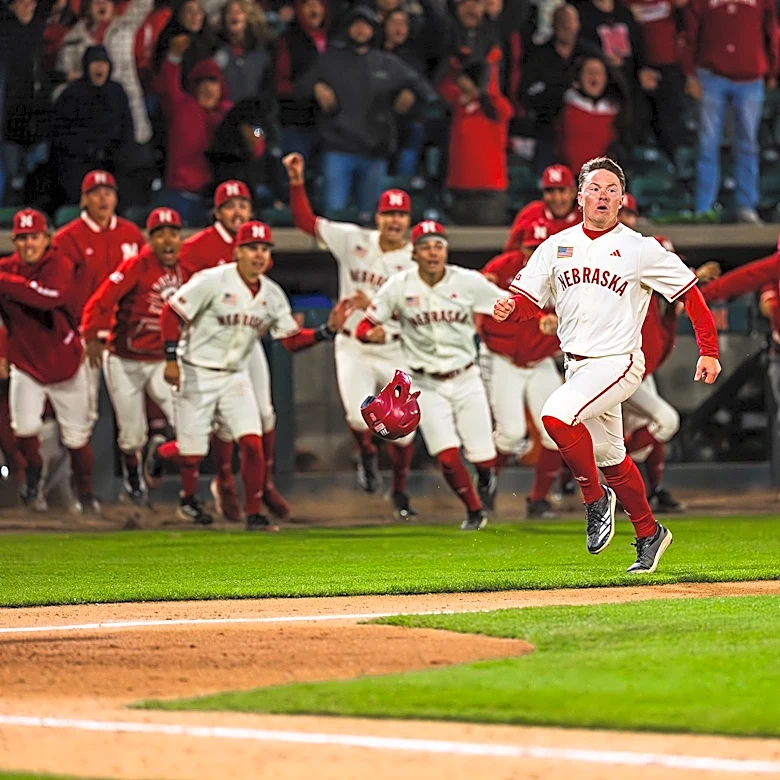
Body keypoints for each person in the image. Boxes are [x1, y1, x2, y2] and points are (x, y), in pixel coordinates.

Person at [493, 156, 721, 573]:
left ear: (621, 199)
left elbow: (691, 294)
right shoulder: (555, 246)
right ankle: (649, 533)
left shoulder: (639, 248)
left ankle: (595, 499)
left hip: (619, 362)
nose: (602, 196)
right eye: (594, 188)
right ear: (579, 197)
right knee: (612, 457)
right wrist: (512, 307)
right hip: (577, 365)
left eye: (611, 189)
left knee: (556, 416)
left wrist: (709, 349)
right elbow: (529, 301)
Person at [152, 220, 351, 530]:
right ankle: (162, 453)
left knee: (252, 443)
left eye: (263, 249)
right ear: (237, 252)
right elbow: (170, 313)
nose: (258, 255)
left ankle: (254, 513)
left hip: (234, 375)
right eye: (251, 248)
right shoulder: (212, 280)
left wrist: (326, 331)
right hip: (195, 370)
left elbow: (290, 340)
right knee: (192, 455)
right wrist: (170, 359)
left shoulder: (272, 294)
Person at [283, 151, 419, 520]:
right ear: (378, 217)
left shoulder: (415, 260)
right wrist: (297, 181)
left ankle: (400, 492)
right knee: (360, 417)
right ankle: (367, 455)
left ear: (408, 221)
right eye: (388, 214)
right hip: (353, 346)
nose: (394, 221)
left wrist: (375, 304)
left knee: (405, 432)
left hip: (394, 348)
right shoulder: (353, 239)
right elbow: (304, 221)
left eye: (401, 215)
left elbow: (416, 313)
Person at [356, 220, 506, 530]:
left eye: (438, 245)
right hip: (425, 384)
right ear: (414, 253)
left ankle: (486, 475)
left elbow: (508, 305)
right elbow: (364, 326)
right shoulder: (398, 285)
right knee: (447, 457)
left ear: (446, 250)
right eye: (425, 246)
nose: (433, 252)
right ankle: (475, 512)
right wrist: (373, 334)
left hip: (466, 377)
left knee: (483, 456)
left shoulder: (467, 281)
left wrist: (539, 315)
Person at [178, 178, 290, 522]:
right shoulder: (197, 247)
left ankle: (261, 486)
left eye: (243, 204)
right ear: (218, 211)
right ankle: (224, 478)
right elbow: (181, 300)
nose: (237, 210)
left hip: (244, 341)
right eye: (230, 205)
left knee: (264, 416)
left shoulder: (257, 247)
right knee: (200, 439)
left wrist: (322, 330)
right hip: (205, 343)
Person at [80, 207, 183, 505]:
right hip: (125, 359)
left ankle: (161, 456)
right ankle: (134, 481)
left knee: (190, 426)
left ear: (180, 238)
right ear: (149, 240)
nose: (167, 240)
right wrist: (91, 334)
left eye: (173, 233)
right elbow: (101, 300)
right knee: (132, 435)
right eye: (159, 234)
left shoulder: (188, 267)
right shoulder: (135, 266)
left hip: (163, 360)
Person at [295, 4, 436, 222]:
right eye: (356, 25)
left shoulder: (387, 63)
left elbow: (426, 90)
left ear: (373, 30)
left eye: (366, 26)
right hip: (337, 148)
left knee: (372, 221)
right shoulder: (330, 60)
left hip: (374, 150)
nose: (361, 31)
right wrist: (315, 87)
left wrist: (410, 93)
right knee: (334, 220)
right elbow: (298, 89)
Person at [0, 208, 99, 514]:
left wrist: (2, 280)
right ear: (15, 241)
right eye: (23, 238)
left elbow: (48, 296)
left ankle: (85, 493)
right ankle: (32, 475)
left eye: (35, 237)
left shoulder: (59, 263)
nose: (29, 244)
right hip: (27, 363)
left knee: (76, 438)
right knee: (24, 429)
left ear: (47, 239)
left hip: (65, 363)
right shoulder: (6, 269)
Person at [480, 241, 563, 519]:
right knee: (511, 433)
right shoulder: (502, 267)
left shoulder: (567, 268)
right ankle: (487, 482)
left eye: (539, 246)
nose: (533, 253)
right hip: (503, 359)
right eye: (529, 247)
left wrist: (559, 325)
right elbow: (480, 303)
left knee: (556, 430)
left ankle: (539, 499)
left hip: (540, 360)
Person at [683, 0, 779, 223]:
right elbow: (690, 35)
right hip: (711, 75)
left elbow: (771, 31)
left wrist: (772, 69)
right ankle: (704, 208)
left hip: (750, 77)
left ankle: (746, 206)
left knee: (747, 144)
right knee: (708, 144)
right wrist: (690, 75)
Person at [49, 46, 136, 205]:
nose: (99, 68)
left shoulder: (117, 92)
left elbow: (127, 129)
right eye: (95, 63)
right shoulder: (71, 95)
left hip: (112, 163)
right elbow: (59, 134)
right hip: (78, 164)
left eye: (103, 63)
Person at [505, 164, 581, 253]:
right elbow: (511, 250)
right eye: (550, 191)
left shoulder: (586, 216)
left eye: (562, 190)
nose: (557, 198)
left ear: (573, 192)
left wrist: (550, 252)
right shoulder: (531, 213)